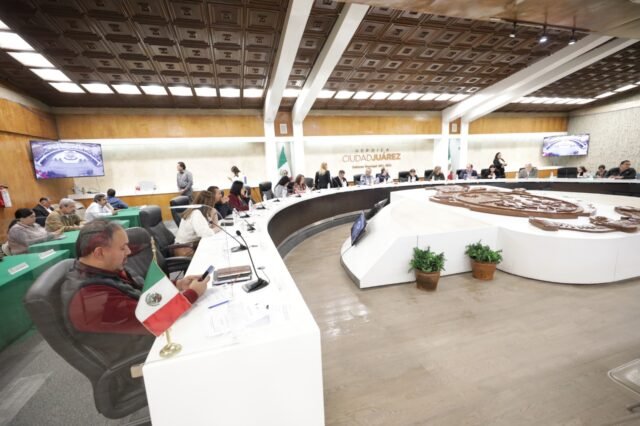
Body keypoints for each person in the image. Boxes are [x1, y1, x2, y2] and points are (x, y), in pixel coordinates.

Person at [62, 220, 208, 386]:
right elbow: (152, 320)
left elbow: (145, 296)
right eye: (122, 248)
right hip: (144, 360)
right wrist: (193, 293)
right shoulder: (92, 297)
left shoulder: (106, 271)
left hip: (147, 339)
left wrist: (178, 285)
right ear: (99, 252)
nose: (129, 251)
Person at [174, 190, 220, 256]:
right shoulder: (196, 213)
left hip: (190, 244)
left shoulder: (199, 212)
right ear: (208, 204)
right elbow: (205, 233)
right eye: (212, 204)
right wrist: (217, 229)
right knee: (213, 253)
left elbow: (210, 227)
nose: (212, 206)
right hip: (184, 248)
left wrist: (214, 214)